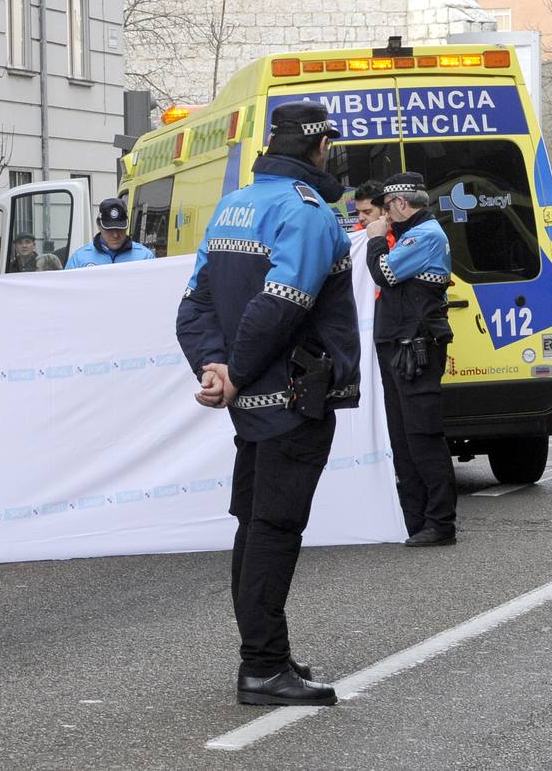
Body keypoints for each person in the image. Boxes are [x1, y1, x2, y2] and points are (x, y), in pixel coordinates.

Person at [175, 102, 360, 707]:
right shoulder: (307, 213)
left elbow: (194, 307)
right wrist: (235, 372)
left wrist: (217, 368)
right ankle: (262, 667)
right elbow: (281, 305)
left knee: (254, 527)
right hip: (292, 398)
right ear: (319, 148)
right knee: (274, 530)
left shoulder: (235, 205)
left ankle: (266, 654)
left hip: (250, 402)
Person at [365, 172, 456, 547]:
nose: (383, 217)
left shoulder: (426, 235)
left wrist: (373, 242)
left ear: (402, 204)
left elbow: (384, 273)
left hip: (415, 349)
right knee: (403, 439)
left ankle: (440, 523)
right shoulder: (409, 235)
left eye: (386, 209)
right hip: (398, 346)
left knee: (422, 436)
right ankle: (415, 519)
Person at [65, 197, 157, 268]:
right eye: (109, 229)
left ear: (127, 226)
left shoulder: (146, 257)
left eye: (120, 228)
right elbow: (67, 290)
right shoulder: (79, 259)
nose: (115, 235)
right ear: (98, 225)